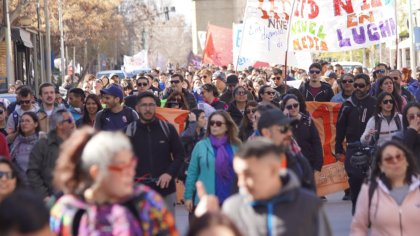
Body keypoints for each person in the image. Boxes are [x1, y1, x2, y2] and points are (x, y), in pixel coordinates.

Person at [50, 128, 177, 235]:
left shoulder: (147, 203)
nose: (131, 173)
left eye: (131, 164)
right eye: (122, 167)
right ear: (96, 173)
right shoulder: (67, 211)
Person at [193, 138, 332, 236]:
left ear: (273, 169)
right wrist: (208, 224)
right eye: (238, 175)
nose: (240, 183)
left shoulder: (309, 206)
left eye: (248, 174)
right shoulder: (231, 209)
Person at [126, 92, 184, 214]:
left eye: (151, 105)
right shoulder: (128, 131)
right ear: (137, 108)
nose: (148, 109)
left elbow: (180, 155)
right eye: (144, 105)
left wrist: (169, 174)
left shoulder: (168, 128)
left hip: (165, 191)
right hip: (138, 192)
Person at [350, 140, 420, 236]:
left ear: (407, 161)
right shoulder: (370, 190)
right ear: (381, 165)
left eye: (399, 157)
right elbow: (358, 228)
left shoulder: (418, 187)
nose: (395, 161)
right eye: (389, 159)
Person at [184, 111, 241, 213]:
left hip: (231, 199)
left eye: (218, 123)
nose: (214, 126)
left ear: (227, 126)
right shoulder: (200, 146)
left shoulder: (236, 146)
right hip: (207, 200)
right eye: (212, 123)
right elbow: (192, 173)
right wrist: (188, 196)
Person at [336, 73, 377, 212]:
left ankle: (369, 210)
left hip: (371, 147)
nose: (358, 88)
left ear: (368, 86)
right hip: (353, 147)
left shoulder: (375, 103)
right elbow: (340, 127)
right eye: (356, 85)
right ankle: (357, 207)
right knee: (354, 179)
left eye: (361, 85)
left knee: (371, 181)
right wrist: (338, 148)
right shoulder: (348, 104)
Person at [257, 108, 316, 191]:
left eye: (289, 128)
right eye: (283, 129)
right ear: (266, 133)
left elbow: (311, 200)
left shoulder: (301, 163)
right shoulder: (251, 168)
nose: (289, 133)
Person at [27, 109, 75, 199]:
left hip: (73, 200)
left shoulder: (77, 143)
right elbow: (32, 172)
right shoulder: (42, 145)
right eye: (70, 120)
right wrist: (45, 196)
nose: (73, 123)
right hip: (50, 200)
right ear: (59, 125)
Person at [281, 94, 323, 172]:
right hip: (291, 166)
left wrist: (318, 165)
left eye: (295, 105)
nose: (293, 108)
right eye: (289, 107)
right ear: (285, 109)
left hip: (309, 163)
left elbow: (316, 142)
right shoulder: (282, 125)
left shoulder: (308, 121)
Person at [9, 112, 40, 183]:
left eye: (27, 121)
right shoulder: (16, 142)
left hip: (36, 187)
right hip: (19, 188)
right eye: (22, 121)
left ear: (36, 124)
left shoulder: (42, 142)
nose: (24, 123)